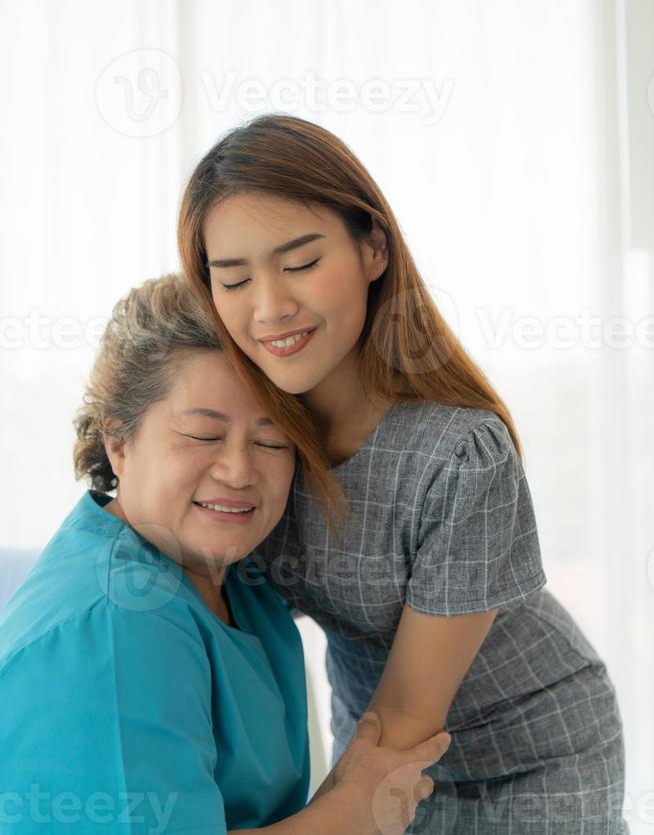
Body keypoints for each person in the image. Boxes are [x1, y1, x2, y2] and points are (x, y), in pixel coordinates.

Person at [178, 113, 629, 834]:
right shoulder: (251, 442)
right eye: (233, 279)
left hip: (532, 755)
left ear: (374, 249)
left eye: (299, 264)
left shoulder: (461, 457)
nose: (269, 308)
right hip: (370, 734)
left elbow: (411, 715)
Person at [0, 273, 451, 835]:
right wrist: (354, 810)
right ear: (118, 442)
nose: (240, 472)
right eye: (203, 435)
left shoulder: (239, 579)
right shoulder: (117, 625)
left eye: (271, 442)